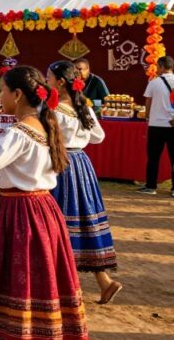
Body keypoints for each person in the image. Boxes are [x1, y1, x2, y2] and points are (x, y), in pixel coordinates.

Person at [0, 65, 87, 339]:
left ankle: (11, 331)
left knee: (14, 274)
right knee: (39, 276)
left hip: (21, 214)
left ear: (18, 94)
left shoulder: (20, 133)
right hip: (43, 211)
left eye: (2, 91)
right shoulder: (44, 127)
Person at [47, 60, 122, 304]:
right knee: (85, 223)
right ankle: (104, 282)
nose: (46, 81)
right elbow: (98, 137)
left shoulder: (53, 110)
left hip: (61, 165)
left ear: (59, 82)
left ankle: (64, 287)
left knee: (59, 225)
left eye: (48, 77)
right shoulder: (84, 107)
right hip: (82, 165)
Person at [140, 55, 174, 196]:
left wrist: (147, 116)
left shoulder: (154, 83)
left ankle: (151, 186)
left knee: (153, 157)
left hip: (156, 125)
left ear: (160, 66)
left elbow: (148, 102)